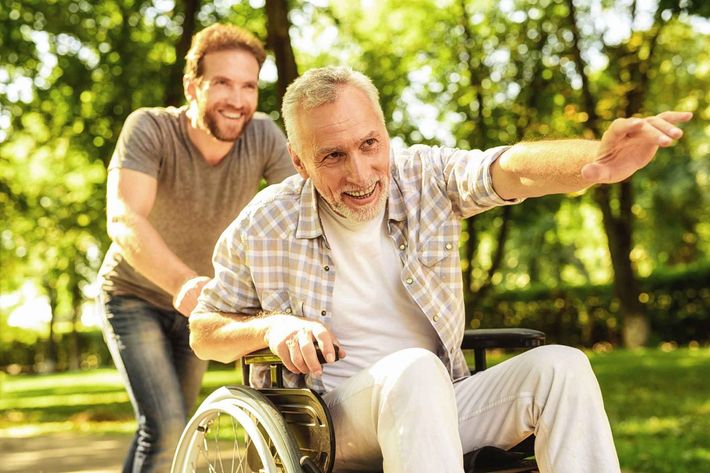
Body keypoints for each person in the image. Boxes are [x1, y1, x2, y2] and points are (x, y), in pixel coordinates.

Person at [188, 66, 692, 473]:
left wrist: (594, 162)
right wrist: (274, 325)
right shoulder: (264, 222)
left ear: (386, 134)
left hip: (443, 400)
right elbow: (205, 332)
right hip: (332, 422)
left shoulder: (425, 175)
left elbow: (508, 168)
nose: (360, 174)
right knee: (415, 368)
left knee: (562, 367)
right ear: (299, 163)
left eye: (369, 144)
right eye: (333, 156)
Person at [97, 24, 295, 472]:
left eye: (248, 86)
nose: (238, 100)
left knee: (169, 427)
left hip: (201, 306)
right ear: (193, 86)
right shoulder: (149, 128)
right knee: (165, 427)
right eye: (223, 83)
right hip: (134, 296)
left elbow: (299, 212)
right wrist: (183, 282)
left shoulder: (263, 136)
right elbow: (124, 217)